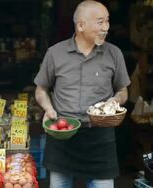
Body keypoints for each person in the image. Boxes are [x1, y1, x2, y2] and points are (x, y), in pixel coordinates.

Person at [34, 1, 131, 188]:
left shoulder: (114, 54)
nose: (106, 28)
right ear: (80, 25)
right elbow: (41, 89)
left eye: (107, 21)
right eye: (100, 22)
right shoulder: (55, 53)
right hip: (63, 136)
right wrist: (48, 108)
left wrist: (115, 101)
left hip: (100, 139)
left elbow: (123, 90)